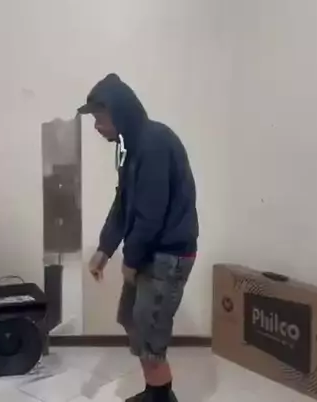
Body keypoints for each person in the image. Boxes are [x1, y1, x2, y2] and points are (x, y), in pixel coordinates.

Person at [78, 73, 199, 402]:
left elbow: (150, 212)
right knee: (132, 320)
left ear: (120, 113)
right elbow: (124, 201)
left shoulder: (154, 143)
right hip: (149, 251)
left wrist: (130, 259)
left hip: (168, 255)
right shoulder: (127, 147)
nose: (96, 127)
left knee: (149, 332)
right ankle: (154, 392)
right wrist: (105, 248)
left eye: (100, 118)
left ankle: (161, 398)